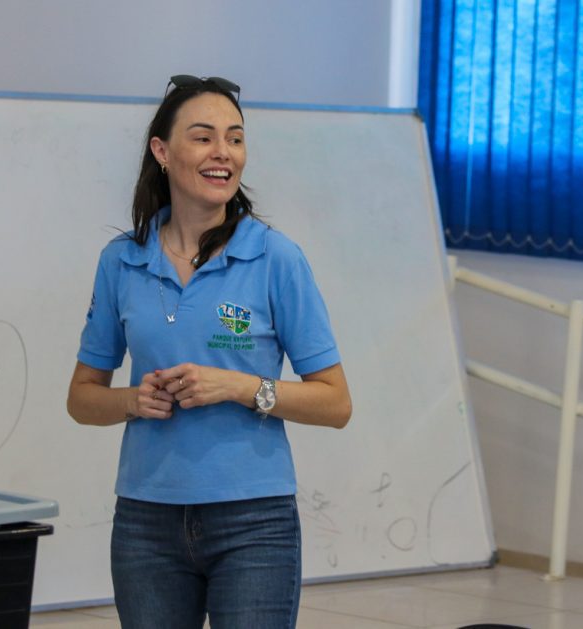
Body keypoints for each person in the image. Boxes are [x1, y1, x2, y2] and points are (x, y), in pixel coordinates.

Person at [67, 74, 352, 629]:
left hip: (255, 523)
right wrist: (133, 401)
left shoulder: (275, 258)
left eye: (236, 138)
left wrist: (241, 388)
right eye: (203, 137)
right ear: (162, 152)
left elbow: (335, 403)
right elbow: (81, 399)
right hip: (146, 521)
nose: (224, 153)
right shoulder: (120, 262)